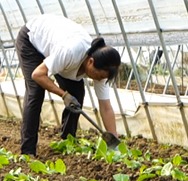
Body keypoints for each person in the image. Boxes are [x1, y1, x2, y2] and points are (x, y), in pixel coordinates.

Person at [16, 14, 120, 157]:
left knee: (77, 95)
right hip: (32, 40)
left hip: (57, 48)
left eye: (104, 78)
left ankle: (68, 142)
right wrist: (63, 95)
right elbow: (38, 75)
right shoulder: (70, 51)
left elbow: (106, 107)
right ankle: (28, 151)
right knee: (36, 92)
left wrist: (114, 143)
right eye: (100, 76)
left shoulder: (102, 70)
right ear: (91, 62)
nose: (100, 79)